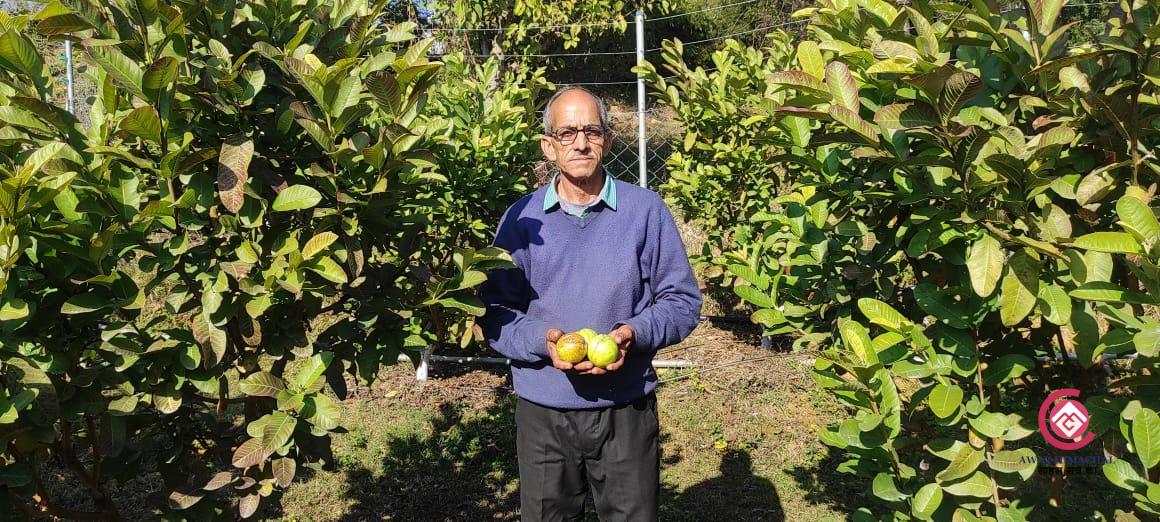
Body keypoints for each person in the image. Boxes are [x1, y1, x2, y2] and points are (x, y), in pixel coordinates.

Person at [479, 86, 702, 521]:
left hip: (625, 408)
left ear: (608, 141)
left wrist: (634, 333)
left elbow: (681, 301)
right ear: (548, 146)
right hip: (544, 412)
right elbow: (495, 313)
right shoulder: (520, 220)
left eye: (592, 131)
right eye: (567, 133)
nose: (580, 143)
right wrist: (542, 341)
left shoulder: (645, 212)